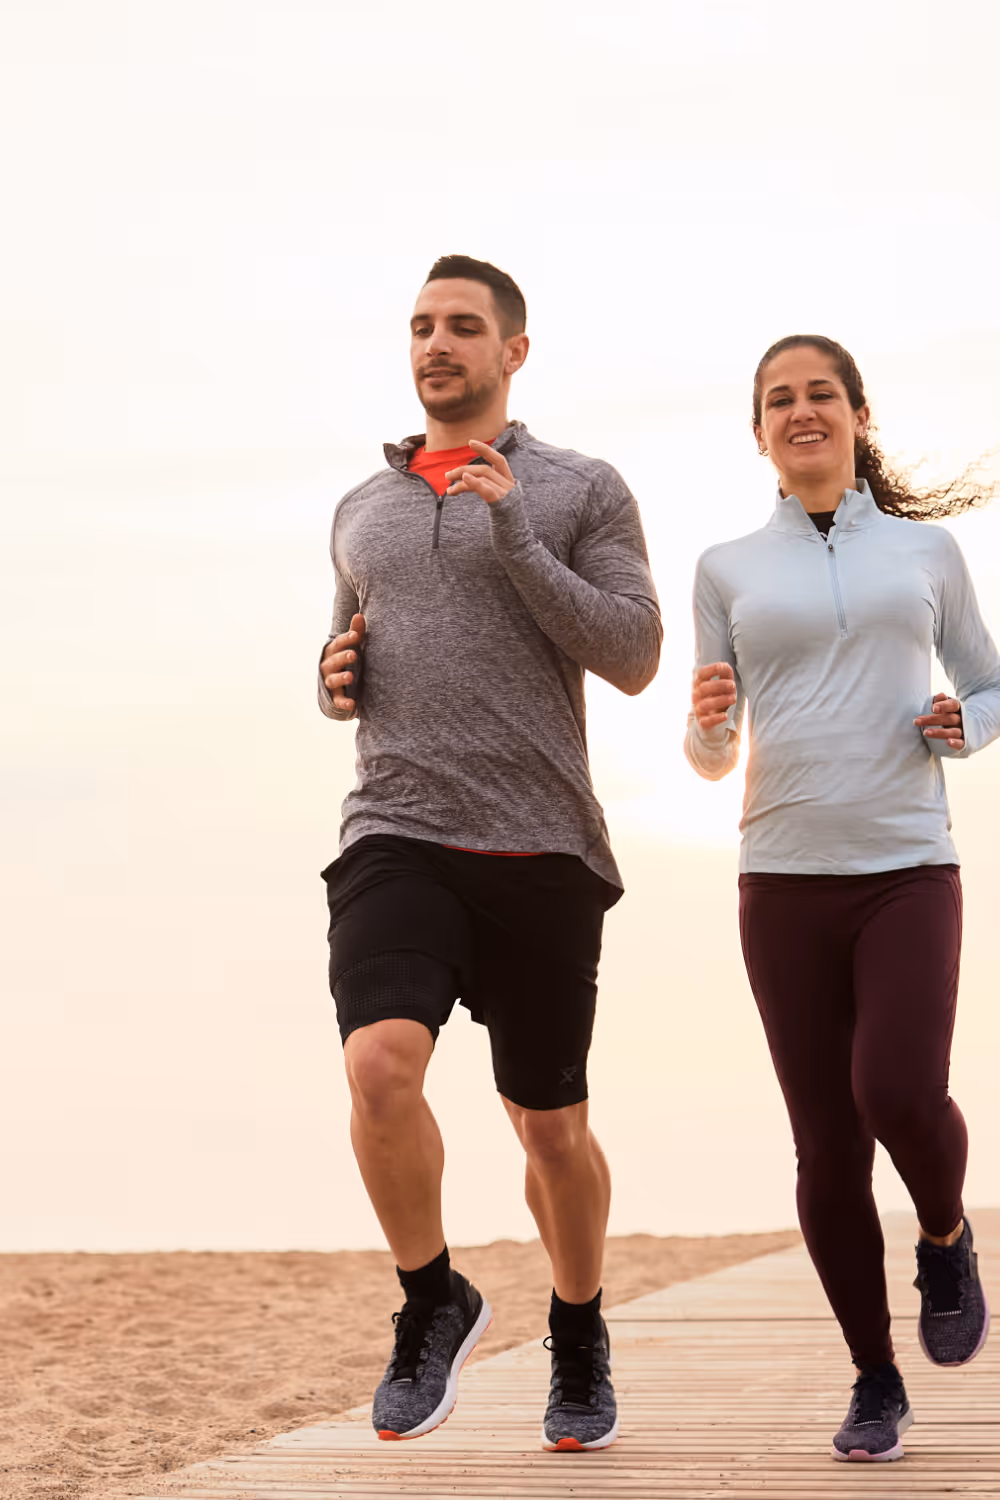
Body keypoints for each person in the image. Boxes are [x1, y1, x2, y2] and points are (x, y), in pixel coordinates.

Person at [317, 255, 661, 1450]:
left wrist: (513, 525)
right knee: (378, 1069)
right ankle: (432, 1299)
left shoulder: (579, 488)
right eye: (420, 326)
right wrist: (332, 679)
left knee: (549, 1125)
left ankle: (578, 1329)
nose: (435, 345)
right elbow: (345, 659)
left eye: (463, 327)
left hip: (542, 847)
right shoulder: (360, 509)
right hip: (396, 830)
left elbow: (631, 652)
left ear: (515, 350)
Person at [685, 333, 1000, 1464]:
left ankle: (946, 1234)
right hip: (780, 878)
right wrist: (711, 722)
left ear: (857, 416)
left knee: (896, 1090)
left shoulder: (926, 553)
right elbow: (710, 750)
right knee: (825, 1143)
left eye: (821, 393)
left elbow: (990, 677)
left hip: (908, 863)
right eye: (780, 398)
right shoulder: (725, 566)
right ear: (760, 431)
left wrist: (968, 724)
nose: (801, 410)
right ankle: (874, 1379)